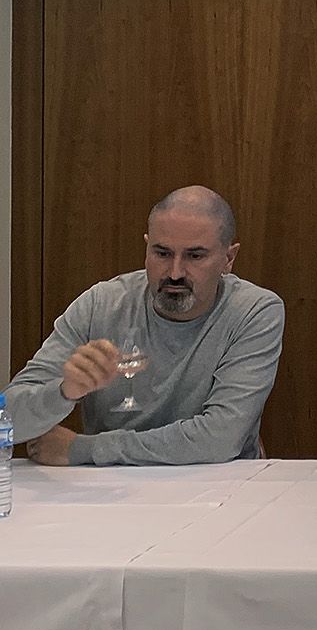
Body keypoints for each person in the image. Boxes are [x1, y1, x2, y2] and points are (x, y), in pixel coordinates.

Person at [5, 186, 285, 465]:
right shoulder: (101, 304)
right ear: (147, 248)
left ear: (228, 259)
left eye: (195, 256)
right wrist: (63, 392)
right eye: (162, 253)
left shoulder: (254, 311)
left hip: (220, 483)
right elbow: (6, 420)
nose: (175, 273)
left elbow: (220, 438)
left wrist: (85, 449)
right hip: (111, 486)